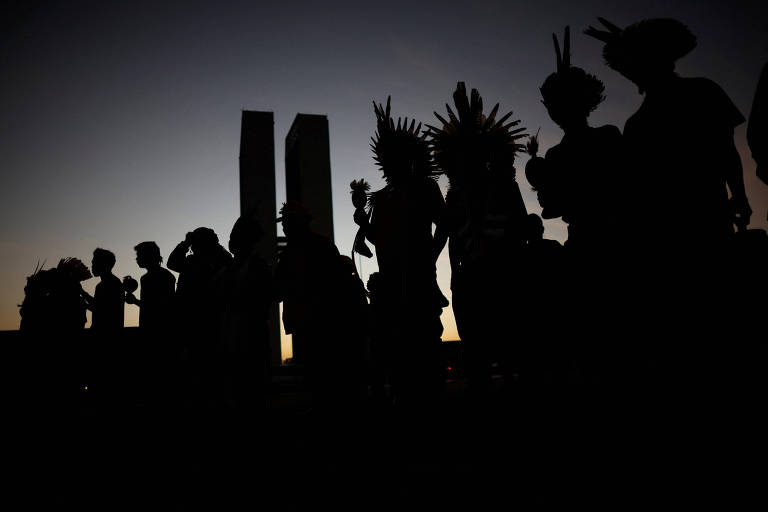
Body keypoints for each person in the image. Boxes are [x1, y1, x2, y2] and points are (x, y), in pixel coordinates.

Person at [429, 83, 528, 396]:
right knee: (476, 349)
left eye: (473, 155)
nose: (467, 163)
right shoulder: (457, 196)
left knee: (511, 345)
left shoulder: (503, 188)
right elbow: (440, 238)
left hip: (502, 276)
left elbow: (521, 229)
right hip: (467, 281)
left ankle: (515, 385)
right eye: (460, 158)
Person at [355, 97, 448, 407]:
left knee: (424, 343)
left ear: (409, 158)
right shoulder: (379, 198)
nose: (392, 162)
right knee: (396, 344)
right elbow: (378, 239)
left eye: (397, 156)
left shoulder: (425, 188)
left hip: (419, 277)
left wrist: (430, 257)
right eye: (387, 156)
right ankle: (403, 397)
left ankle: (430, 399)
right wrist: (362, 226)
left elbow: (443, 225)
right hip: (390, 281)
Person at [275, 200, 344, 410]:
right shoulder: (291, 253)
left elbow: (336, 284)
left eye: (288, 222)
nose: (284, 227)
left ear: (301, 223)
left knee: (322, 373)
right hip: (307, 320)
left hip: (321, 320)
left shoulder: (316, 248)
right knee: (316, 374)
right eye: (284, 223)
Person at [167, 227, 232, 407]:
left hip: (207, 320)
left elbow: (172, 263)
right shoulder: (191, 261)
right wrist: (186, 244)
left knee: (206, 365)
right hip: (190, 321)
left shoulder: (217, 261)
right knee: (196, 365)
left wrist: (187, 244)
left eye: (196, 243)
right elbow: (172, 263)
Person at [216, 213, 275, 410]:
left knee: (250, 388)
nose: (232, 241)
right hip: (232, 332)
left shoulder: (258, 266)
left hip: (250, 333)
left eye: (237, 237)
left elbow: (262, 299)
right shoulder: (229, 268)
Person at [82, 248, 124, 330]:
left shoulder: (113, 284)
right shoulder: (102, 285)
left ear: (104, 264)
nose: (92, 266)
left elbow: (101, 310)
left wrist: (82, 293)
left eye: (95, 263)